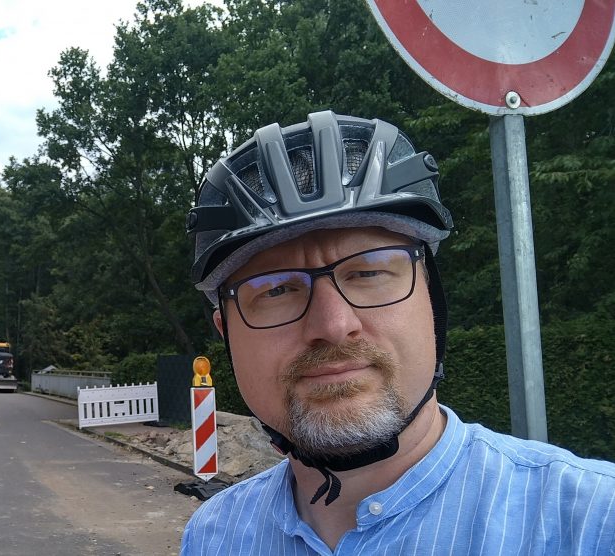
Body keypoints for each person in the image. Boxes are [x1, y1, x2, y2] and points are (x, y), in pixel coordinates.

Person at [180, 111, 615, 554]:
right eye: (275, 290)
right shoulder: (213, 536)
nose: (333, 325)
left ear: (431, 298)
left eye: (369, 273)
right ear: (226, 333)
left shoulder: (590, 523)